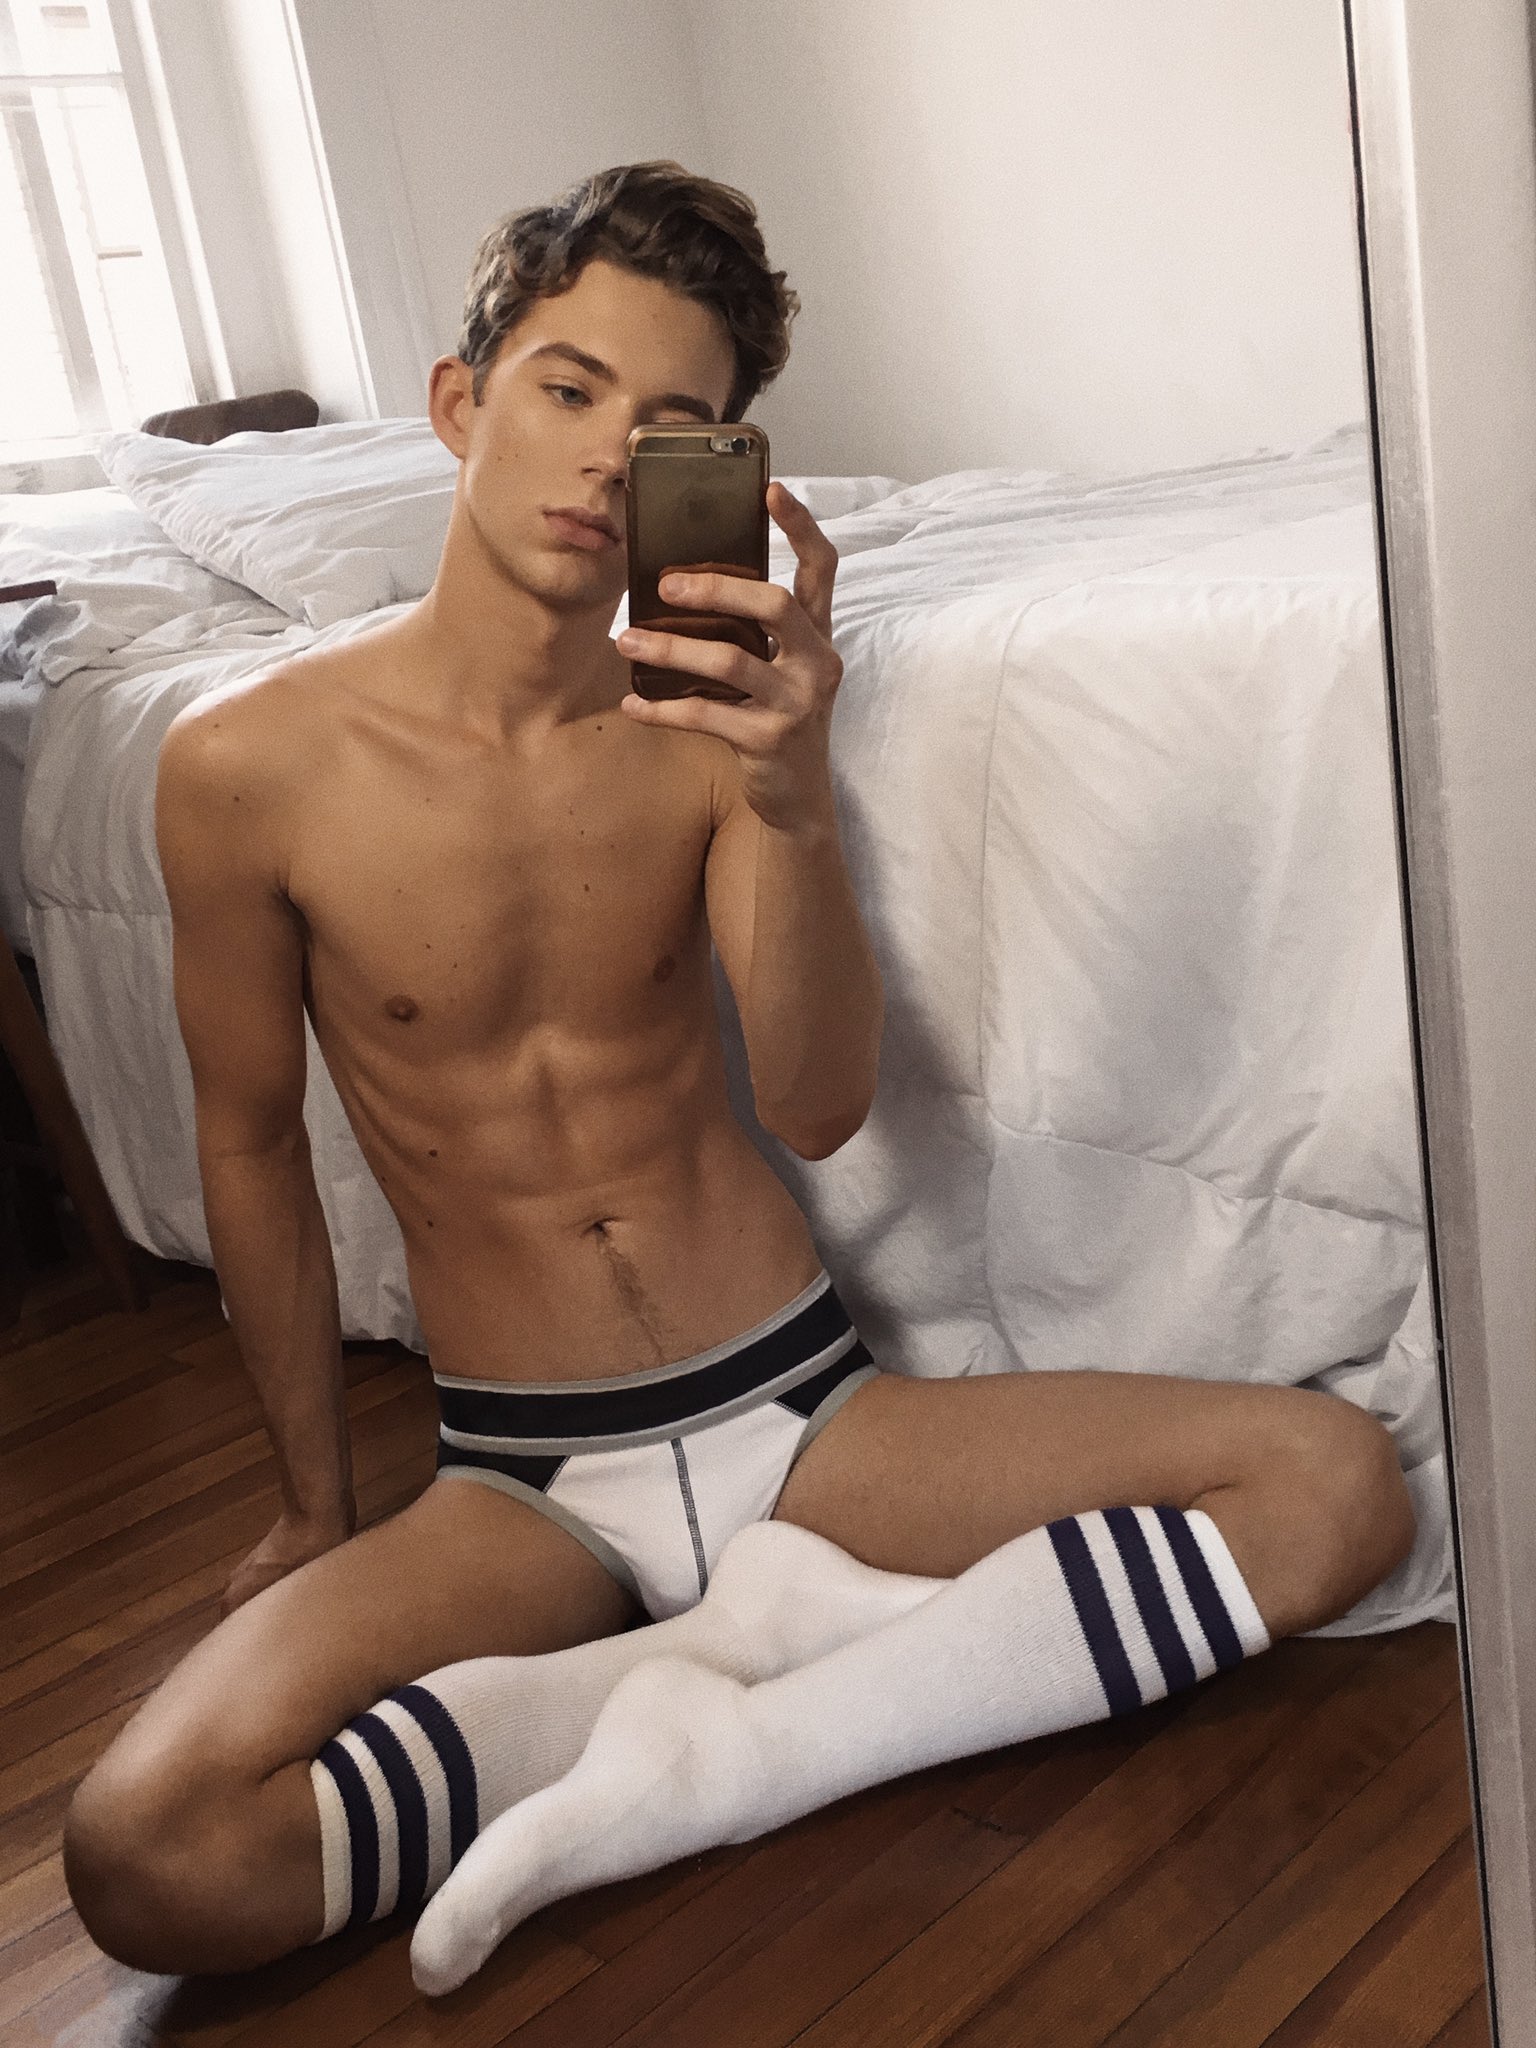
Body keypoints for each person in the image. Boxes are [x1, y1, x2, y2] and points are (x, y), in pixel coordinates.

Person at [60, 161, 1416, 1988]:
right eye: (569, 389)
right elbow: (247, 1149)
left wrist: (792, 792)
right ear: (460, 403)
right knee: (147, 1853)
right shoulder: (242, 768)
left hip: (802, 1412)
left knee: (1336, 1489)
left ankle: (751, 1749)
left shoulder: (710, 723)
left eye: (672, 430)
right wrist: (312, 1504)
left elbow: (817, 1103)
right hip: (527, 1481)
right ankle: (683, 1689)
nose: (607, 461)